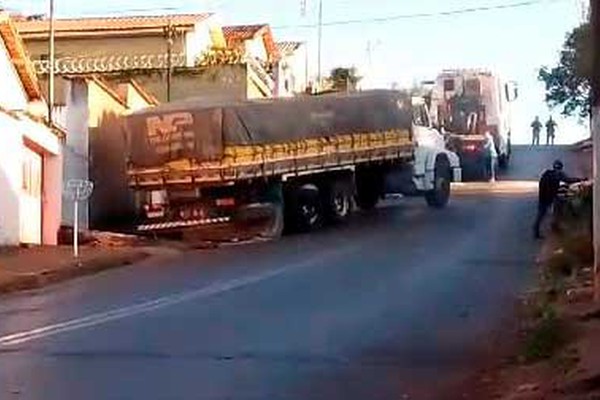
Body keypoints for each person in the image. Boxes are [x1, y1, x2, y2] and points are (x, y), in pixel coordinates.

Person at [533, 160, 580, 239]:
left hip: (543, 197)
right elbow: (568, 180)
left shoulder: (547, 173)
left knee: (541, 214)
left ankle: (538, 230)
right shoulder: (558, 175)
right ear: (560, 168)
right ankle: (556, 226)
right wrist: (580, 179)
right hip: (549, 197)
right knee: (558, 208)